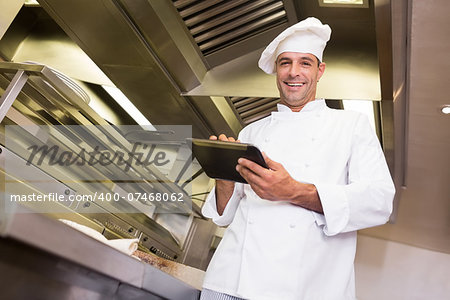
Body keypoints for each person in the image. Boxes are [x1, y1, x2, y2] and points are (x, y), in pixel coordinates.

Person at [200, 17, 395, 300]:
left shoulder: (351, 125)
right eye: (285, 63)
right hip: (230, 282)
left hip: (305, 288)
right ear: (276, 71)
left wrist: (294, 191)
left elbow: (379, 200)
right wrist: (224, 180)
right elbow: (224, 217)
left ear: (320, 70)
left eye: (305, 63)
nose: (294, 73)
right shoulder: (251, 131)